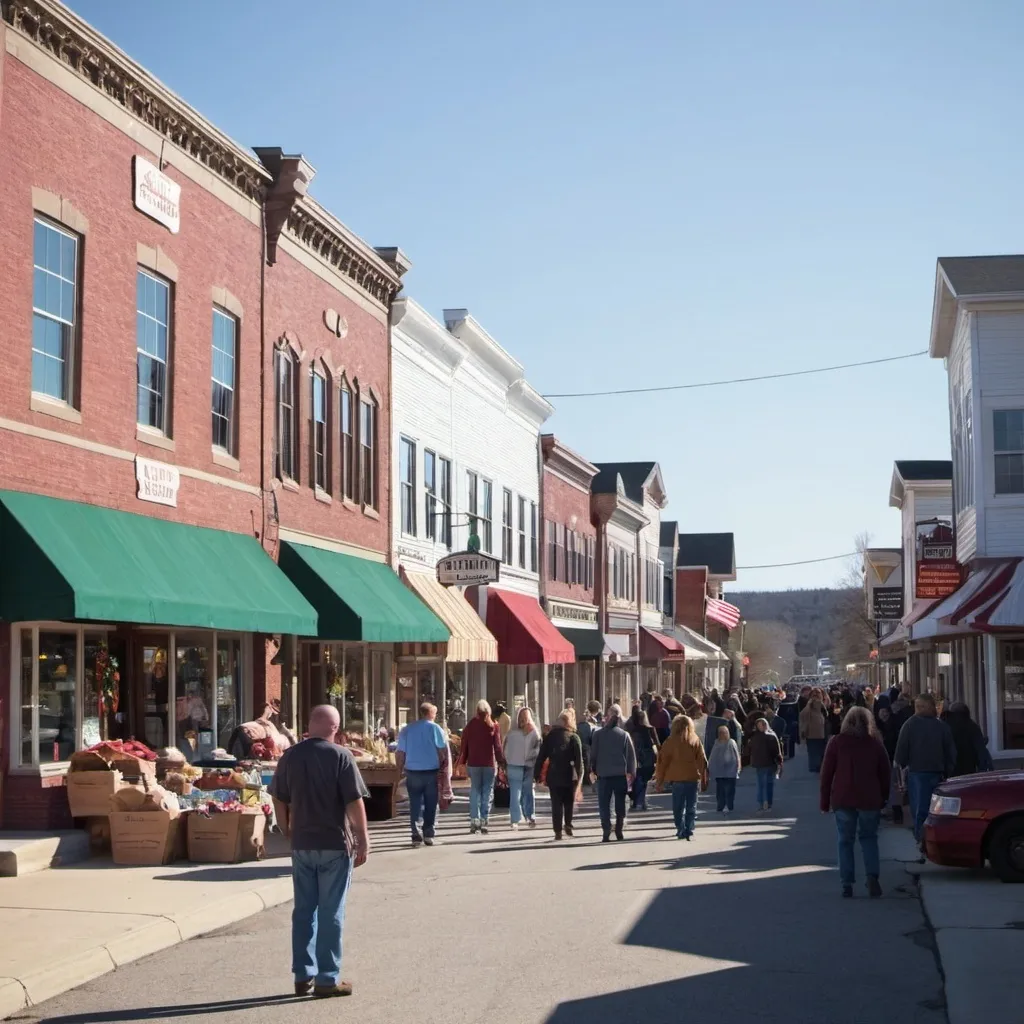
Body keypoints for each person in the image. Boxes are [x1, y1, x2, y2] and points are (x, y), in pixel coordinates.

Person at [269, 705, 370, 999]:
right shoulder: (341, 756)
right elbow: (354, 801)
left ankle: (303, 975)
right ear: (335, 728)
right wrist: (363, 838)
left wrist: (286, 827)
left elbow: (278, 796)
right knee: (331, 911)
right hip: (334, 844)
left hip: (302, 843)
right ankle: (327, 978)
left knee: (304, 910)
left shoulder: (290, 756)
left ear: (310, 725)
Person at [819, 706, 890, 899]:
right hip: (870, 798)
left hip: (843, 797)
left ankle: (847, 883)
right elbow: (885, 772)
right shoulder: (875, 743)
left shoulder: (836, 742)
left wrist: (825, 802)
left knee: (845, 840)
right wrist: (884, 797)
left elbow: (826, 774)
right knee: (869, 838)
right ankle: (872, 876)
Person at [894, 693, 957, 849]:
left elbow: (900, 753)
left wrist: (900, 772)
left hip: (918, 773)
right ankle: (932, 839)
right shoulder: (941, 726)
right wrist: (948, 771)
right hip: (937, 773)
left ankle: (921, 840)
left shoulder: (909, 725)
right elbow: (951, 752)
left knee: (920, 808)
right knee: (937, 810)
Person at [395, 702, 450, 847]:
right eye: (435, 713)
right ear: (430, 713)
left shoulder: (407, 729)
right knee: (431, 803)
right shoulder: (435, 728)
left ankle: (415, 833)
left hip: (412, 771)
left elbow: (400, 753)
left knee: (415, 803)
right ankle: (428, 833)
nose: (435, 715)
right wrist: (444, 766)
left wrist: (399, 770)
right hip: (431, 771)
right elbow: (442, 749)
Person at [655, 714, 709, 839]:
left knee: (678, 806)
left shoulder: (670, 741)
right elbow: (702, 760)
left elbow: (662, 763)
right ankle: (689, 827)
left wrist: (660, 781)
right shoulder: (695, 739)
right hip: (692, 777)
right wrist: (704, 778)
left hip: (677, 778)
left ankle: (680, 827)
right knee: (691, 804)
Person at [589, 704, 637, 842]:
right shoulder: (624, 735)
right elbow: (630, 757)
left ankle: (606, 830)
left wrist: (592, 770)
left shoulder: (597, 734)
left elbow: (593, 754)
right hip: (619, 775)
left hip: (603, 775)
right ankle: (619, 829)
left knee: (604, 804)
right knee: (620, 804)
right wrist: (631, 773)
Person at [457, 699, 504, 834]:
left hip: (473, 763)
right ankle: (484, 820)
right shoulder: (494, 726)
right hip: (489, 764)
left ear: (476, 711)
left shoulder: (470, 725)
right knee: (487, 792)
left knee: (475, 791)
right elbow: (498, 747)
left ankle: (474, 820)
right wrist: (501, 762)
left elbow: (464, 746)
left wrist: (462, 761)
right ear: (488, 711)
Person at [535, 710, 584, 840]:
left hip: (554, 774)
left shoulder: (550, 737)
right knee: (569, 801)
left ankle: (557, 831)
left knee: (556, 803)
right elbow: (579, 760)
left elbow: (541, 756)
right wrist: (579, 776)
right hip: (569, 774)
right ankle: (567, 824)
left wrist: (537, 774)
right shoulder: (574, 737)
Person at [504, 706, 542, 830]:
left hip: (515, 765)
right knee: (527, 792)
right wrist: (531, 757)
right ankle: (529, 817)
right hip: (527, 765)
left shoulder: (512, 733)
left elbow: (506, 750)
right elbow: (537, 749)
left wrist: (507, 761)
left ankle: (516, 819)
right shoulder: (534, 732)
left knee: (517, 793)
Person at [943, 701, 994, 776]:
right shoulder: (972, 726)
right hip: (968, 770)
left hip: (948, 771)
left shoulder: (944, 726)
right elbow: (981, 751)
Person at [624, 705, 659, 811]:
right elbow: (658, 744)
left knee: (637, 778)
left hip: (635, 757)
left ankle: (638, 801)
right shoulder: (650, 729)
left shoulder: (631, 730)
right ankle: (640, 801)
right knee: (643, 779)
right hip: (648, 757)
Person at [749, 718, 783, 812]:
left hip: (767, 763)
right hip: (763, 764)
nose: (761, 727)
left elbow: (776, 751)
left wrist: (778, 762)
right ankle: (765, 803)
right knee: (765, 784)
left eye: (762, 725)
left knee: (765, 784)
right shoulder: (769, 736)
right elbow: (777, 751)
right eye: (759, 725)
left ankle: (765, 803)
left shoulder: (759, 737)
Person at [707, 724, 741, 813]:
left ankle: (730, 806)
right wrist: (709, 767)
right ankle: (720, 806)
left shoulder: (731, 742)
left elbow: (737, 755)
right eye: (721, 732)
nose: (723, 734)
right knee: (720, 790)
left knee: (730, 790)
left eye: (725, 732)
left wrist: (738, 767)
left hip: (731, 771)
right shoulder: (716, 743)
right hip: (719, 771)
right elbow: (712, 756)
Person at [799, 696, 828, 772]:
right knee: (817, 751)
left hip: (813, 735)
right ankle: (816, 766)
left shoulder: (811, 711)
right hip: (818, 735)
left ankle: (815, 766)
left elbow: (802, 715)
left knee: (814, 752)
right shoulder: (813, 712)